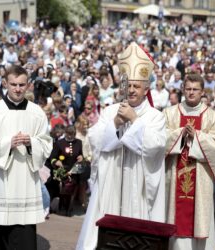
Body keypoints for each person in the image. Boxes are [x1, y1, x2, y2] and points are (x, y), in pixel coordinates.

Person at [76, 42, 166, 250]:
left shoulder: (155, 117)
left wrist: (134, 120)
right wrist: (116, 123)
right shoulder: (111, 111)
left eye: (137, 86)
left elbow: (155, 146)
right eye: (129, 85)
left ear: (146, 89)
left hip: (139, 188)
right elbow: (95, 139)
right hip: (111, 184)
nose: (132, 90)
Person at [0, 65, 53, 250]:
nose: (17, 89)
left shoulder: (36, 113)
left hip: (23, 184)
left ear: (28, 85)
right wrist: (8, 143)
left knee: (21, 236)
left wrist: (32, 142)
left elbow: (47, 144)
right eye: (13, 84)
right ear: (5, 83)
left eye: (22, 85)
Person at [164, 73, 215, 250]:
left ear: (202, 92)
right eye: (188, 89)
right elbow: (159, 140)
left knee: (200, 219)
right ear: (182, 89)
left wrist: (197, 137)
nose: (191, 93)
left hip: (201, 181)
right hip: (173, 177)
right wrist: (179, 133)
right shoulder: (170, 113)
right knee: (173, 220)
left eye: (195, 89)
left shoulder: (212, 116)